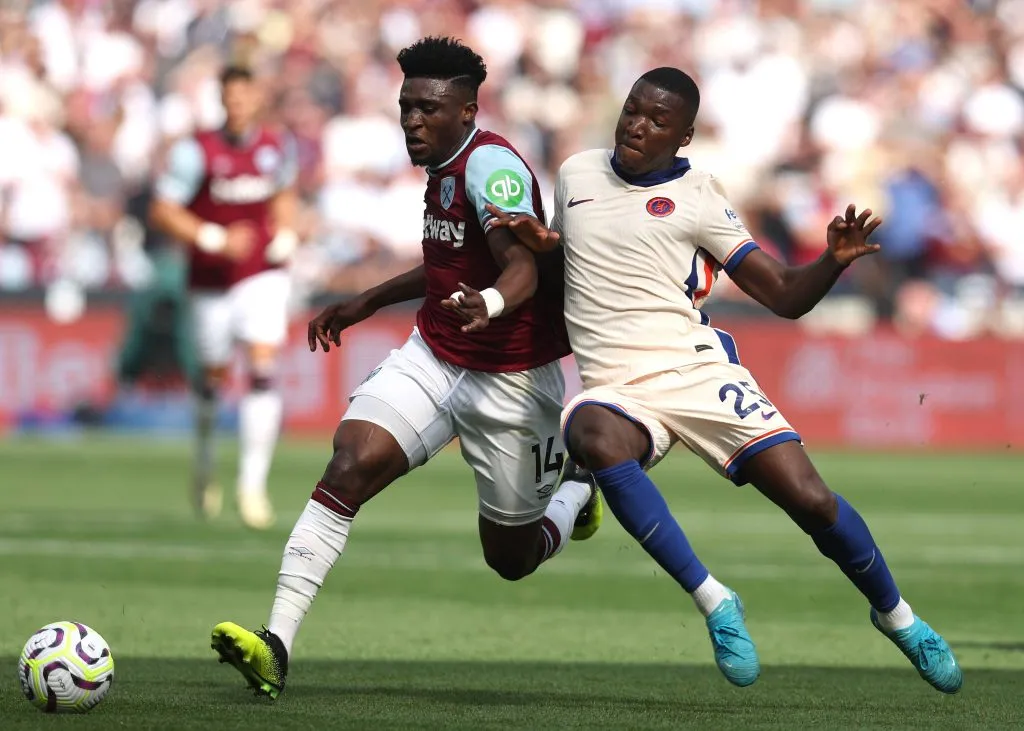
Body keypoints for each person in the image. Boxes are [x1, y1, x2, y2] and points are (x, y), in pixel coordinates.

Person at [488, 67, 962, 694]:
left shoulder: (701, 196)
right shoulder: (575, 173)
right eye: (632, 110)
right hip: (617, 387)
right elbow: (568, 269)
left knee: (811, 499)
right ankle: (715, 601)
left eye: (658, 120)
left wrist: (829, 263)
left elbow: (785, 297)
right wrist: (538, 251)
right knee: (593, 433)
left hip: (696, 369)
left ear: (683, 137)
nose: (637, 125)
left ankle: (899, 618)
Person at [208, 37, 601, 699]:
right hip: (435, 355)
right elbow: (453, 263)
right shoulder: (440, 164)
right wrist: (369, 299)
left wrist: (495, 301)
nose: (412, 121)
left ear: (468, 111)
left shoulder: (491, 169)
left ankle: (579, 488)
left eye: (428, 109)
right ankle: (275, 643)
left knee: (512, 557)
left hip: (510, 377)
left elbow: (521, 266)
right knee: (348, 464)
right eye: (406, 107)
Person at [149, 66, 300, 529]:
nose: (238, 105)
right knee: (212, 379)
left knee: (262, 364)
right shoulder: (197, 151)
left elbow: (284, 196)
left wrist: (288, 231)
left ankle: (252, 486)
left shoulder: (277, 146)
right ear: (222, 100)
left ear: (256, 99)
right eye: (230, 97)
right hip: (212, 279)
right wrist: (212, 237)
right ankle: (205, 463)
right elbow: (163, 210)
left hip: (262, 274)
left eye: (245, 96)